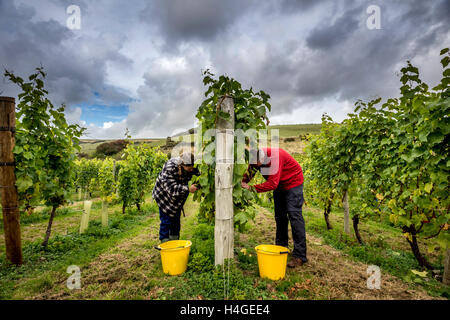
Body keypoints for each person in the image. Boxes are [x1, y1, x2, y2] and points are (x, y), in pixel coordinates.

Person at [241, 147, 307, 268]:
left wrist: (251, 188)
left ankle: (300, 256)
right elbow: (249, 175)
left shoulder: (275, 158)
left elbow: (272, 184)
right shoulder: (255, 158)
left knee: (294, 216)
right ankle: (281, 248)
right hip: (279, 185)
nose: (256, 167)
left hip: (293, 182)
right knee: (280, 216)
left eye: (258, 165)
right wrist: (240, 183)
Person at [152, 152, 200, 243]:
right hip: (164, 196)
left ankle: (174, 243)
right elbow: (171, 189)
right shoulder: (170, 168)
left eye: (192, 168)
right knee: (166, 221)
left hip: (177, 197)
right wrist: (188, 189)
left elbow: (198, 174)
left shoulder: (192, 166)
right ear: (182, 165)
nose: (191, 170)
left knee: (175, 221)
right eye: (189, 169)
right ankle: (165, 244)